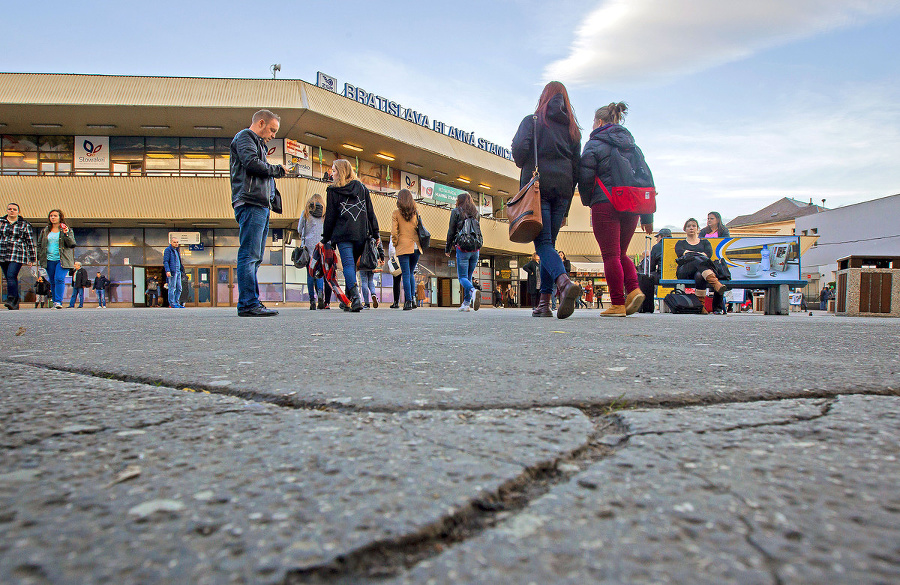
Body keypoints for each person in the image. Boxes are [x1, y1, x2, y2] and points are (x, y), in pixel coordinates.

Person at [512, 81, 583, 319]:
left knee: (542, 244)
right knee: (549, 244)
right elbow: (576, 169)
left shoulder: (532, 122)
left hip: (538, 188)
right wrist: (566, 211)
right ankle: (544, 303)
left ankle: (563, 283)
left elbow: (519, 156)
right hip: (563, 189)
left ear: (543, 98)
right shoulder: (573, 131)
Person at [578, 102, 653, 317]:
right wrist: (647, 216)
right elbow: (645, 179)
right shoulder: (633, 146)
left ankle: (618, 303)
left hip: (605, 203)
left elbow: (585, 177)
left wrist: (587, 200)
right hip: (632, 205)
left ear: (599, 122)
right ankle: (634, 289)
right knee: (621, 253)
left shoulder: (594, 144)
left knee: (610, 255)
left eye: (593, 121)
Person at [230, 109, 288, 317]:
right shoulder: (245, 137)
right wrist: (276, 170)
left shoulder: (257, 143)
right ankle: (248, 303)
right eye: (272, 130)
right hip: (251, 202)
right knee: (250, 254)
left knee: (254, 255)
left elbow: (257, 166)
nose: (273, 135)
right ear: (261, 123)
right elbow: (252, 164)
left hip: (259, 203)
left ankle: (250, 301)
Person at [323, 159, 380, 313]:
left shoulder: (333, 191)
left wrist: (325, 238)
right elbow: (370, 212)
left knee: (348, 265)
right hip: (361, 233)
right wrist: (376, 233)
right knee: (352, 266)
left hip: (343, 234)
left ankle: (355, 299)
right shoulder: (362, 188)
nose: (332, 173)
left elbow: (330, 217)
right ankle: (347, 300)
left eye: (334, 170)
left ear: (341, 172)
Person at [675, 218, 730, 313]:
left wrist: (691, 254)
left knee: (699, 275)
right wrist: (697, 254)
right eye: (688, 226)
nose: (691, 228)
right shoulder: (680, 243)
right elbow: (684, 255)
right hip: (685, 271)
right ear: (685, 229)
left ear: (698, 229)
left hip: (701, 272)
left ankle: (701, 307)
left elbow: (708, 255)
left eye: (693, 226)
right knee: (697, 259)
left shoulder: (705, 242)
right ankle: (715, 283)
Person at [445, 192, 483, 312]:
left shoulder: (456, 212)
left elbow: (451, 231)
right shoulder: (476, 213)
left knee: (462, 277)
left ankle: (472, 291)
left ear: (459, 201)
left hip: (462, 248)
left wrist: (448, 248)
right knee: (468, 276)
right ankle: (466, 303)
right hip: (475, 249)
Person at [390, 188, 421, 311]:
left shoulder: (396, 213)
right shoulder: (415, 212)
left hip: (403, 246)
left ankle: (408, 301)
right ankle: (413, 299)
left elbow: (394, 232)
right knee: (410, 273)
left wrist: (395, 243)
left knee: (406, 274)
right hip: (416, 247)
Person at [1, 202, 37, 310]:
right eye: (10, 209)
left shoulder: (24, 224)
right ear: (7, 210)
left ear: (18, 211)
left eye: (14, 209)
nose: (12, 211)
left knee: (11, 275)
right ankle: (15, 302)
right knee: (8, 277)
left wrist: (31, 258)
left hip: (17, 254)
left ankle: (11, 299)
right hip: (2, 253)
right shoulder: (1, 222)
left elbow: (29, 241)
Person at [298, 193, 329, 310]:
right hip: (320, 247)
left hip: (308, 248)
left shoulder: (305, 213)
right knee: (319, 272)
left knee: (310, 273)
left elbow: (299, 228)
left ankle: (312, 300)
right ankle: (320, 293)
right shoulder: (324, 215)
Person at [700, 212, 730, 314]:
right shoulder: (704, 231)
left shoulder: (724, 231)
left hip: (718, 261)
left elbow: (726, 243)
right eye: (708, 218)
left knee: (719, 279)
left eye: (711, 218)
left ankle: (717, 308)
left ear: (717, 219)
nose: (709, 220)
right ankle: (701, 306)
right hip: (706, 260)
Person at [163, 236, 187, 309]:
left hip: (178, 272)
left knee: (179, 288)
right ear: (171, 242)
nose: (176, 244)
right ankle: (172, 303)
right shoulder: (168, 250)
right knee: (172, 288)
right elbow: (165, 261)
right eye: (174, 242)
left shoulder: (177, 251)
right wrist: (168, 270)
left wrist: (182, 270)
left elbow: (179, 261)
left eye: (177, 242)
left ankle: (177, 302)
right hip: (172, 272)